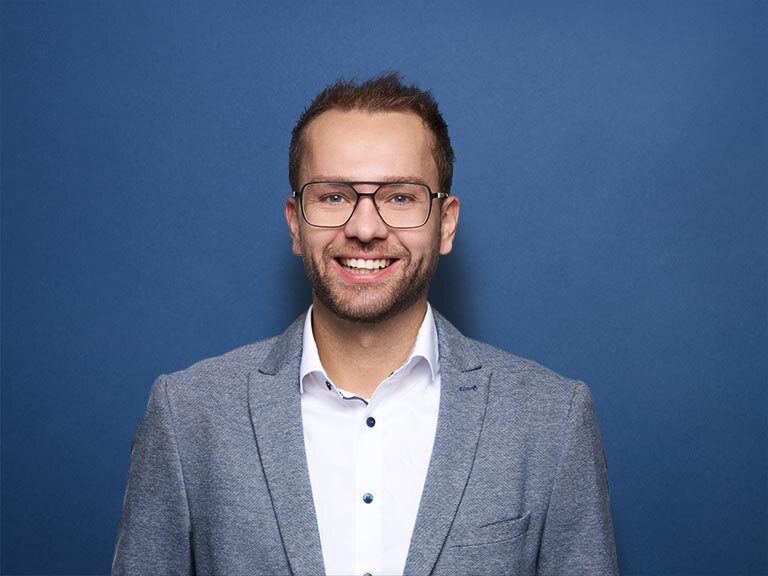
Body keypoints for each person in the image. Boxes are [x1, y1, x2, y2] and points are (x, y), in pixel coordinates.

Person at [113, 73, 619, 576]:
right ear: (295, 222)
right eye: (334, 196)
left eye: (400, 197)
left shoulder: (552, 421)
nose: (364, 228)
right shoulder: (188, 416)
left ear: (445, 224)